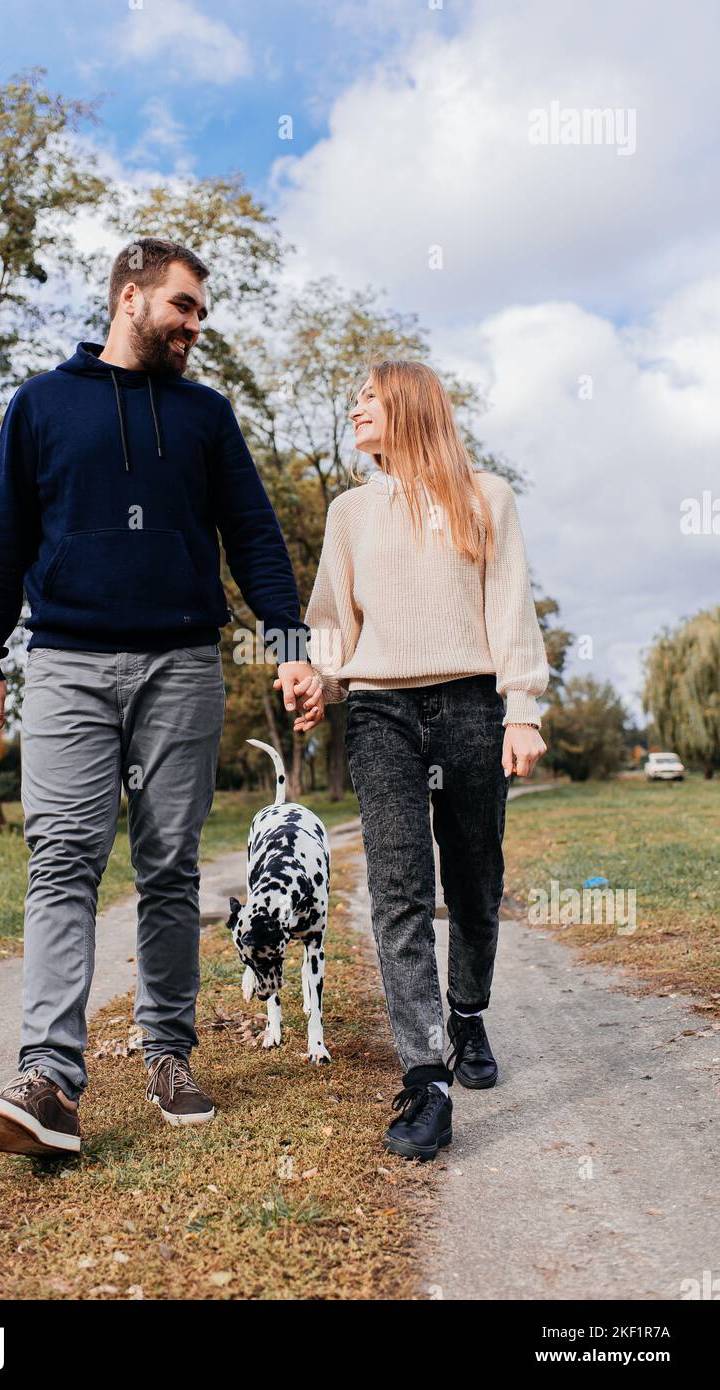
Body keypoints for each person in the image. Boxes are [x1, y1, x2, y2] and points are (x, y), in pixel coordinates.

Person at [0, 237, 316, 1156]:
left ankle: (167, 1052)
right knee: (62, 861)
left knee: (167, 867)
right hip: (69, 664)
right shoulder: (40, 405)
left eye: (201, 312)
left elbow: (253, 535)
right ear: (132, 299)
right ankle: (48, 1078)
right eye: (184, 307)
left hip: (181, 665)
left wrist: (288, 647)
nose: (197, 326)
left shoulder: (205, 416)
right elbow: (1, 539)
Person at [298, 359, 548, 1161]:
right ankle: (425, 1077)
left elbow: (509, 605)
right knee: (399, 889)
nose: (355, 410)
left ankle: (466, 1012)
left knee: (474, 881)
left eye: (367, 398)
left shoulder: (487, 497)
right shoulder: (348, 512)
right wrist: (316, 680)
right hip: (379, 711)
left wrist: (522, 709)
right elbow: (332, 619)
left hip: (472, 706)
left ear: (407, 404)